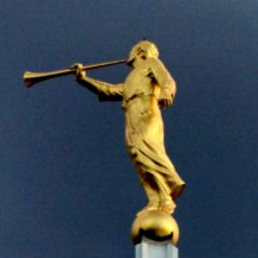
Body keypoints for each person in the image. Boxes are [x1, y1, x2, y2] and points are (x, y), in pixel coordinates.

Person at [74, 41, 184, 220]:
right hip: (131, 113)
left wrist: (167, 93)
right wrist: (83, 79)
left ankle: (170, 184)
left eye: (131, 51)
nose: (128, 55)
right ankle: (156, 199)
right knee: (137, 154)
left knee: (147, 148)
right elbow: (109, 90)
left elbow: (168, 80)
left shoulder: (151, 63)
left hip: (146, 108)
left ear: (140, 52)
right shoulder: (132, 77)